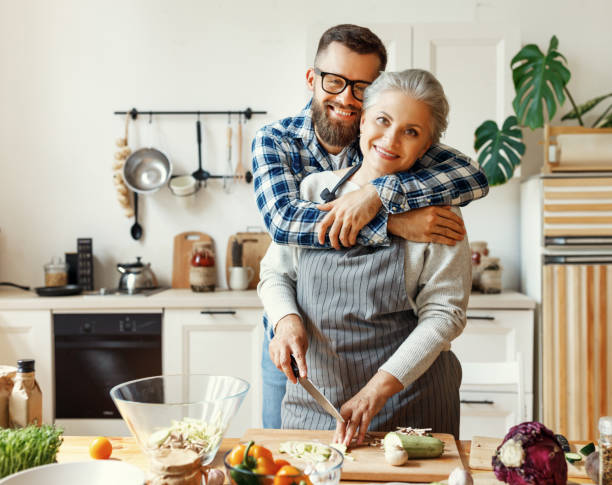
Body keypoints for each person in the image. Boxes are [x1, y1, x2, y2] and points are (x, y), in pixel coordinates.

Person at [252, 24, 487, 428]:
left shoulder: (438, 212)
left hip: (407, 394)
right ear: (314, 79)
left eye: (410, 132)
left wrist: (377, 195)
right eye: (335, 81)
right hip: (309, 370)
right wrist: (392, 223)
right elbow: (283, 232)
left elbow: (475, 177)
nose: (346, 97)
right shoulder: (293, 162)